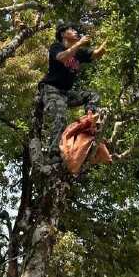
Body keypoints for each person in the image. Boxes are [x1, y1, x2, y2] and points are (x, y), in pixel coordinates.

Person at [36, 22, 107, 170]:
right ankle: (54, 155)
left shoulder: (79, 53)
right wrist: (79, 43)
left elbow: (97, 54)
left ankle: (90, 121)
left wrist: (109, 39)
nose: (75, 32)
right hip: (51, 89)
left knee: (92, 95)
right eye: (72, 30)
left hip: (66, 93)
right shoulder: (57, 47)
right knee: (60, 116)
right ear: (63, 34)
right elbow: (62, 57)